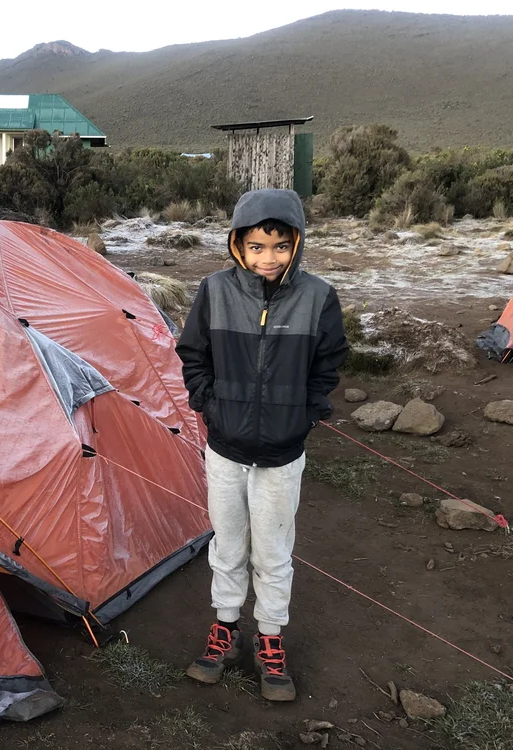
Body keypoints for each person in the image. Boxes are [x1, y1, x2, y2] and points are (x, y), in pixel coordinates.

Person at [175, 188, 348, 701]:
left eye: (278, 246)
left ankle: (270, 637)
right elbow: (192, 351)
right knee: (227, 544)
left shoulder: (318, 296)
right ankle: (226, 629)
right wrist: (207, 402)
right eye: (255, 246)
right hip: (225, 446)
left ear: (296, 244)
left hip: (282, 452)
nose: (266, 258)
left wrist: (307, 411)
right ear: (237, 246)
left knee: (273, 552)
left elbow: (329, 360)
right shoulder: (214, 290)